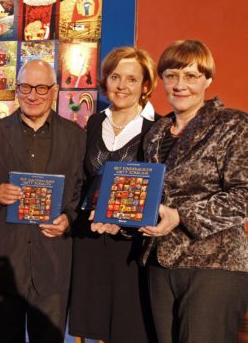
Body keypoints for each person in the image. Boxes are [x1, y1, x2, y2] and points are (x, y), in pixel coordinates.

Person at [139, 39, 248, 343]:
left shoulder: (233, 124)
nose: (180, 85)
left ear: (208, 80)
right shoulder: (156, 133)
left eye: (191, 76)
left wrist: (181, 216)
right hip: (160, 262)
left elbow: (244, 196)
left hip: (214, 263)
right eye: (171, 76)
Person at [0, 59, 86, 343]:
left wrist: (69, 219)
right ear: (16, 89)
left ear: (54, 91)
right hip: (6, 262)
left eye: (41, 87)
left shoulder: (76, 137)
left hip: (52, 262)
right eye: (25, 86)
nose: (33, 94)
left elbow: (81, 191)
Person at [69, 46, 159, 343]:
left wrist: (123, 221)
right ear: (105, 80)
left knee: (128, 329)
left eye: (132, 79)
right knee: (91, 327)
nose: (122, 86)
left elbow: (160, 190)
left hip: (129, 246)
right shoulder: (93, 123)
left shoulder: (158, 129)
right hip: (91, 239)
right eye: (116, 77)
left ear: (145, 85)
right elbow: (82, 181)